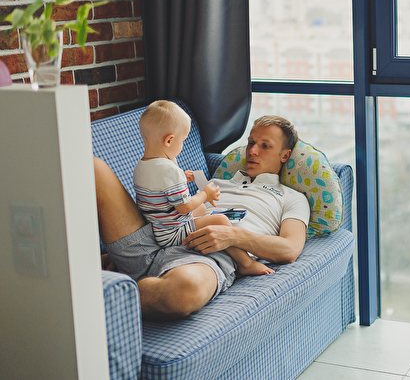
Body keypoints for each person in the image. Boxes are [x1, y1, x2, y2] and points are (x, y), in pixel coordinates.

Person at [96, 114, 309, 320]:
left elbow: (290, 249)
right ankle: (121, 279)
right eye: (251, 142)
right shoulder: (215, 183)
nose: (252, 151)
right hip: (156, 236)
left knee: (182, 291)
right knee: (95, 168)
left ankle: (106, 293)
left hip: (207, 256)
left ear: (285, 155)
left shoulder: (292, 197)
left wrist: (232, 236)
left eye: (265, 146)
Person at [133, 100, 272, 277]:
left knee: (201, 209)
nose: (182, 146)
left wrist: (182, 178)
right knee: (220, 220)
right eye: (183, 141)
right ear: (169, 140)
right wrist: (205, 194)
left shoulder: (141, 166)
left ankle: (201, 225)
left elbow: (160, 190)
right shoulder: (169, 170)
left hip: (158, 227)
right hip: (172, 233)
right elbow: (184, 207)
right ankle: (246, 263)